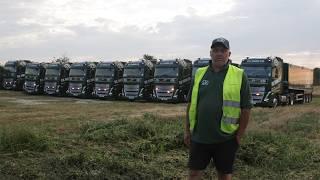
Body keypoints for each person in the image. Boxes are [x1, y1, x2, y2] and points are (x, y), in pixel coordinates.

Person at [184, 37, 252, 180]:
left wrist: (239, 135)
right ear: (211, 53)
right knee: (194, 174)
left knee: (224, 175)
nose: (219, 53)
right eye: (216, 50)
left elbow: (246, 108)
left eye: (223, 50)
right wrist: (187, 130)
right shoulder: (199, 73)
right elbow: (191, 104)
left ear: (229, 54)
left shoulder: (239, 75)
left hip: (226, 138)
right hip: (199, 137)